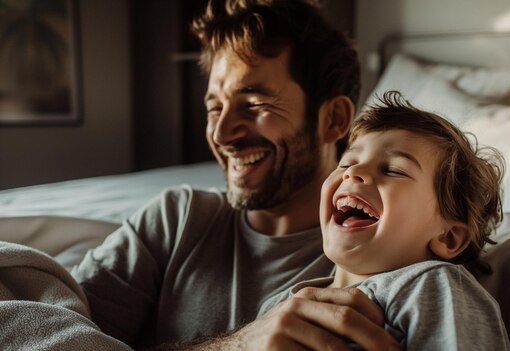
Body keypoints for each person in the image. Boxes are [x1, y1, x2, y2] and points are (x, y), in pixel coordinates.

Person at [71, 0, 401, 350]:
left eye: (254, 105)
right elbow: (50, 330)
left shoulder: (378, 258)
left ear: (333, 119)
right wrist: (235, 346)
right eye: (215, 108)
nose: (221, 134)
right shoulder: (175, 220)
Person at [257, 91, 510, 350]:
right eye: (346, 164)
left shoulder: (431, 286)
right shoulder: (278, 307)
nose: (354, 173)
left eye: (393, 170)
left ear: (448, 237)